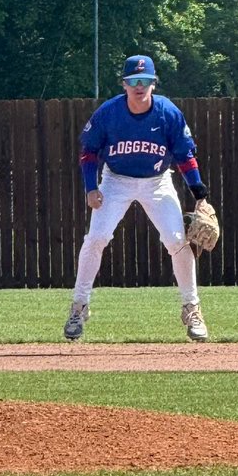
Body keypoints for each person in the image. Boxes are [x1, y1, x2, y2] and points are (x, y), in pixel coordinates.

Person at [65, 54, 211, 342]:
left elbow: (184, 155)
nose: (139, 86)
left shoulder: (167, 112)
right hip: (115, 181)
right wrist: (90, 188)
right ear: (124, 84)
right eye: (133, 81)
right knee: (96, 237)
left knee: (177, 241)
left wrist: (199, 192)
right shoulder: (109, 113)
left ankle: (192, 308)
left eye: (145, 81)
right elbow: (88, 152)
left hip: (157, 182)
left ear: (154, 83)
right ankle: (79, 306)